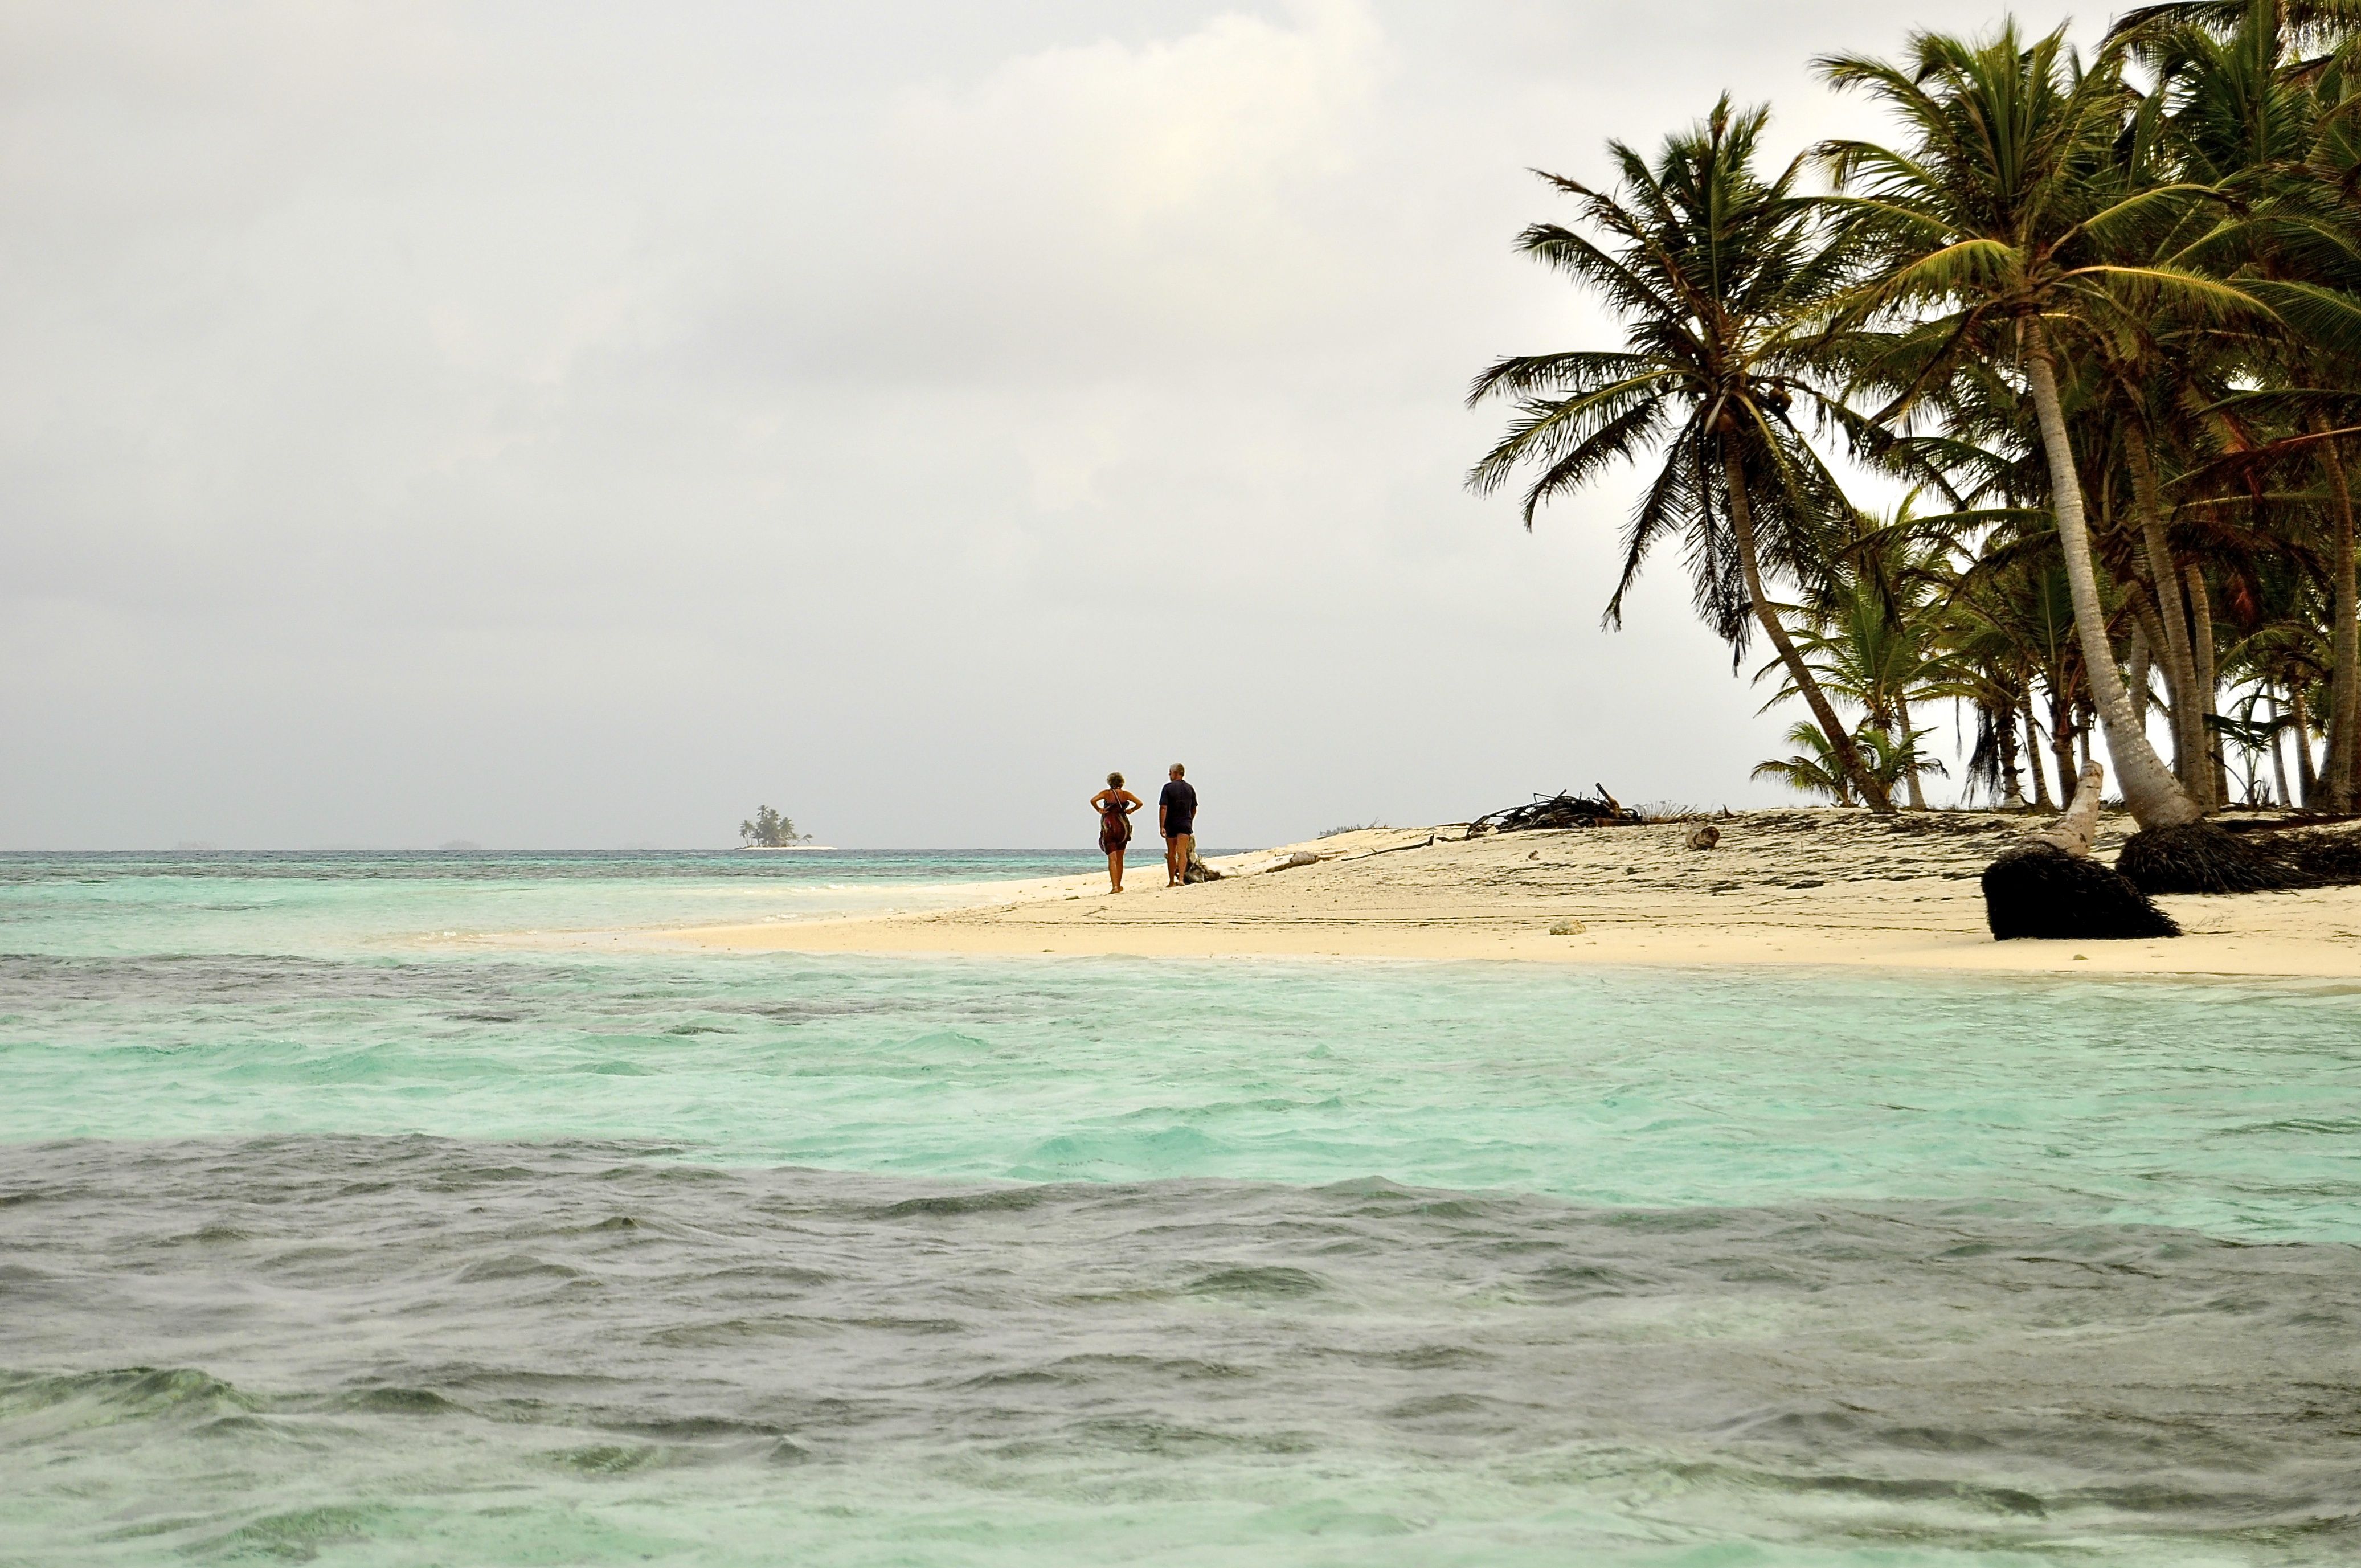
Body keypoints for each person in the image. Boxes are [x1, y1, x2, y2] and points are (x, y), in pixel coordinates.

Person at [1089, 772, 1141, 893]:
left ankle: (1115, 887)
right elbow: (1140, 803)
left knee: (1112, 859)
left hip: (1110, 826)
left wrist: (1098, 809)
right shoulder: (1126, 794)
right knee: (1120, 858)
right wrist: (1131, 810)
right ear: (1121, 783)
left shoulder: (1106, 794)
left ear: (1110, 782)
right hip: (1123, 826)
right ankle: (1119, 884)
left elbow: (1093, 800)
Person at [1159, 763, 1198, 887]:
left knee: (1171, 853)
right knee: (1182, 852)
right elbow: (1194, 808)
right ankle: (1181, 879)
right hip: (1185, 823)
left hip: (1171, 823)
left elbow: (1163, 807)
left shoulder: (1167, 788)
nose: (1169, 775)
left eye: (1170, 772)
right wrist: (1190, 820)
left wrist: (1162, 826)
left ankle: (1171, 881)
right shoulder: (1190, 788)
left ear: (1175, 773)